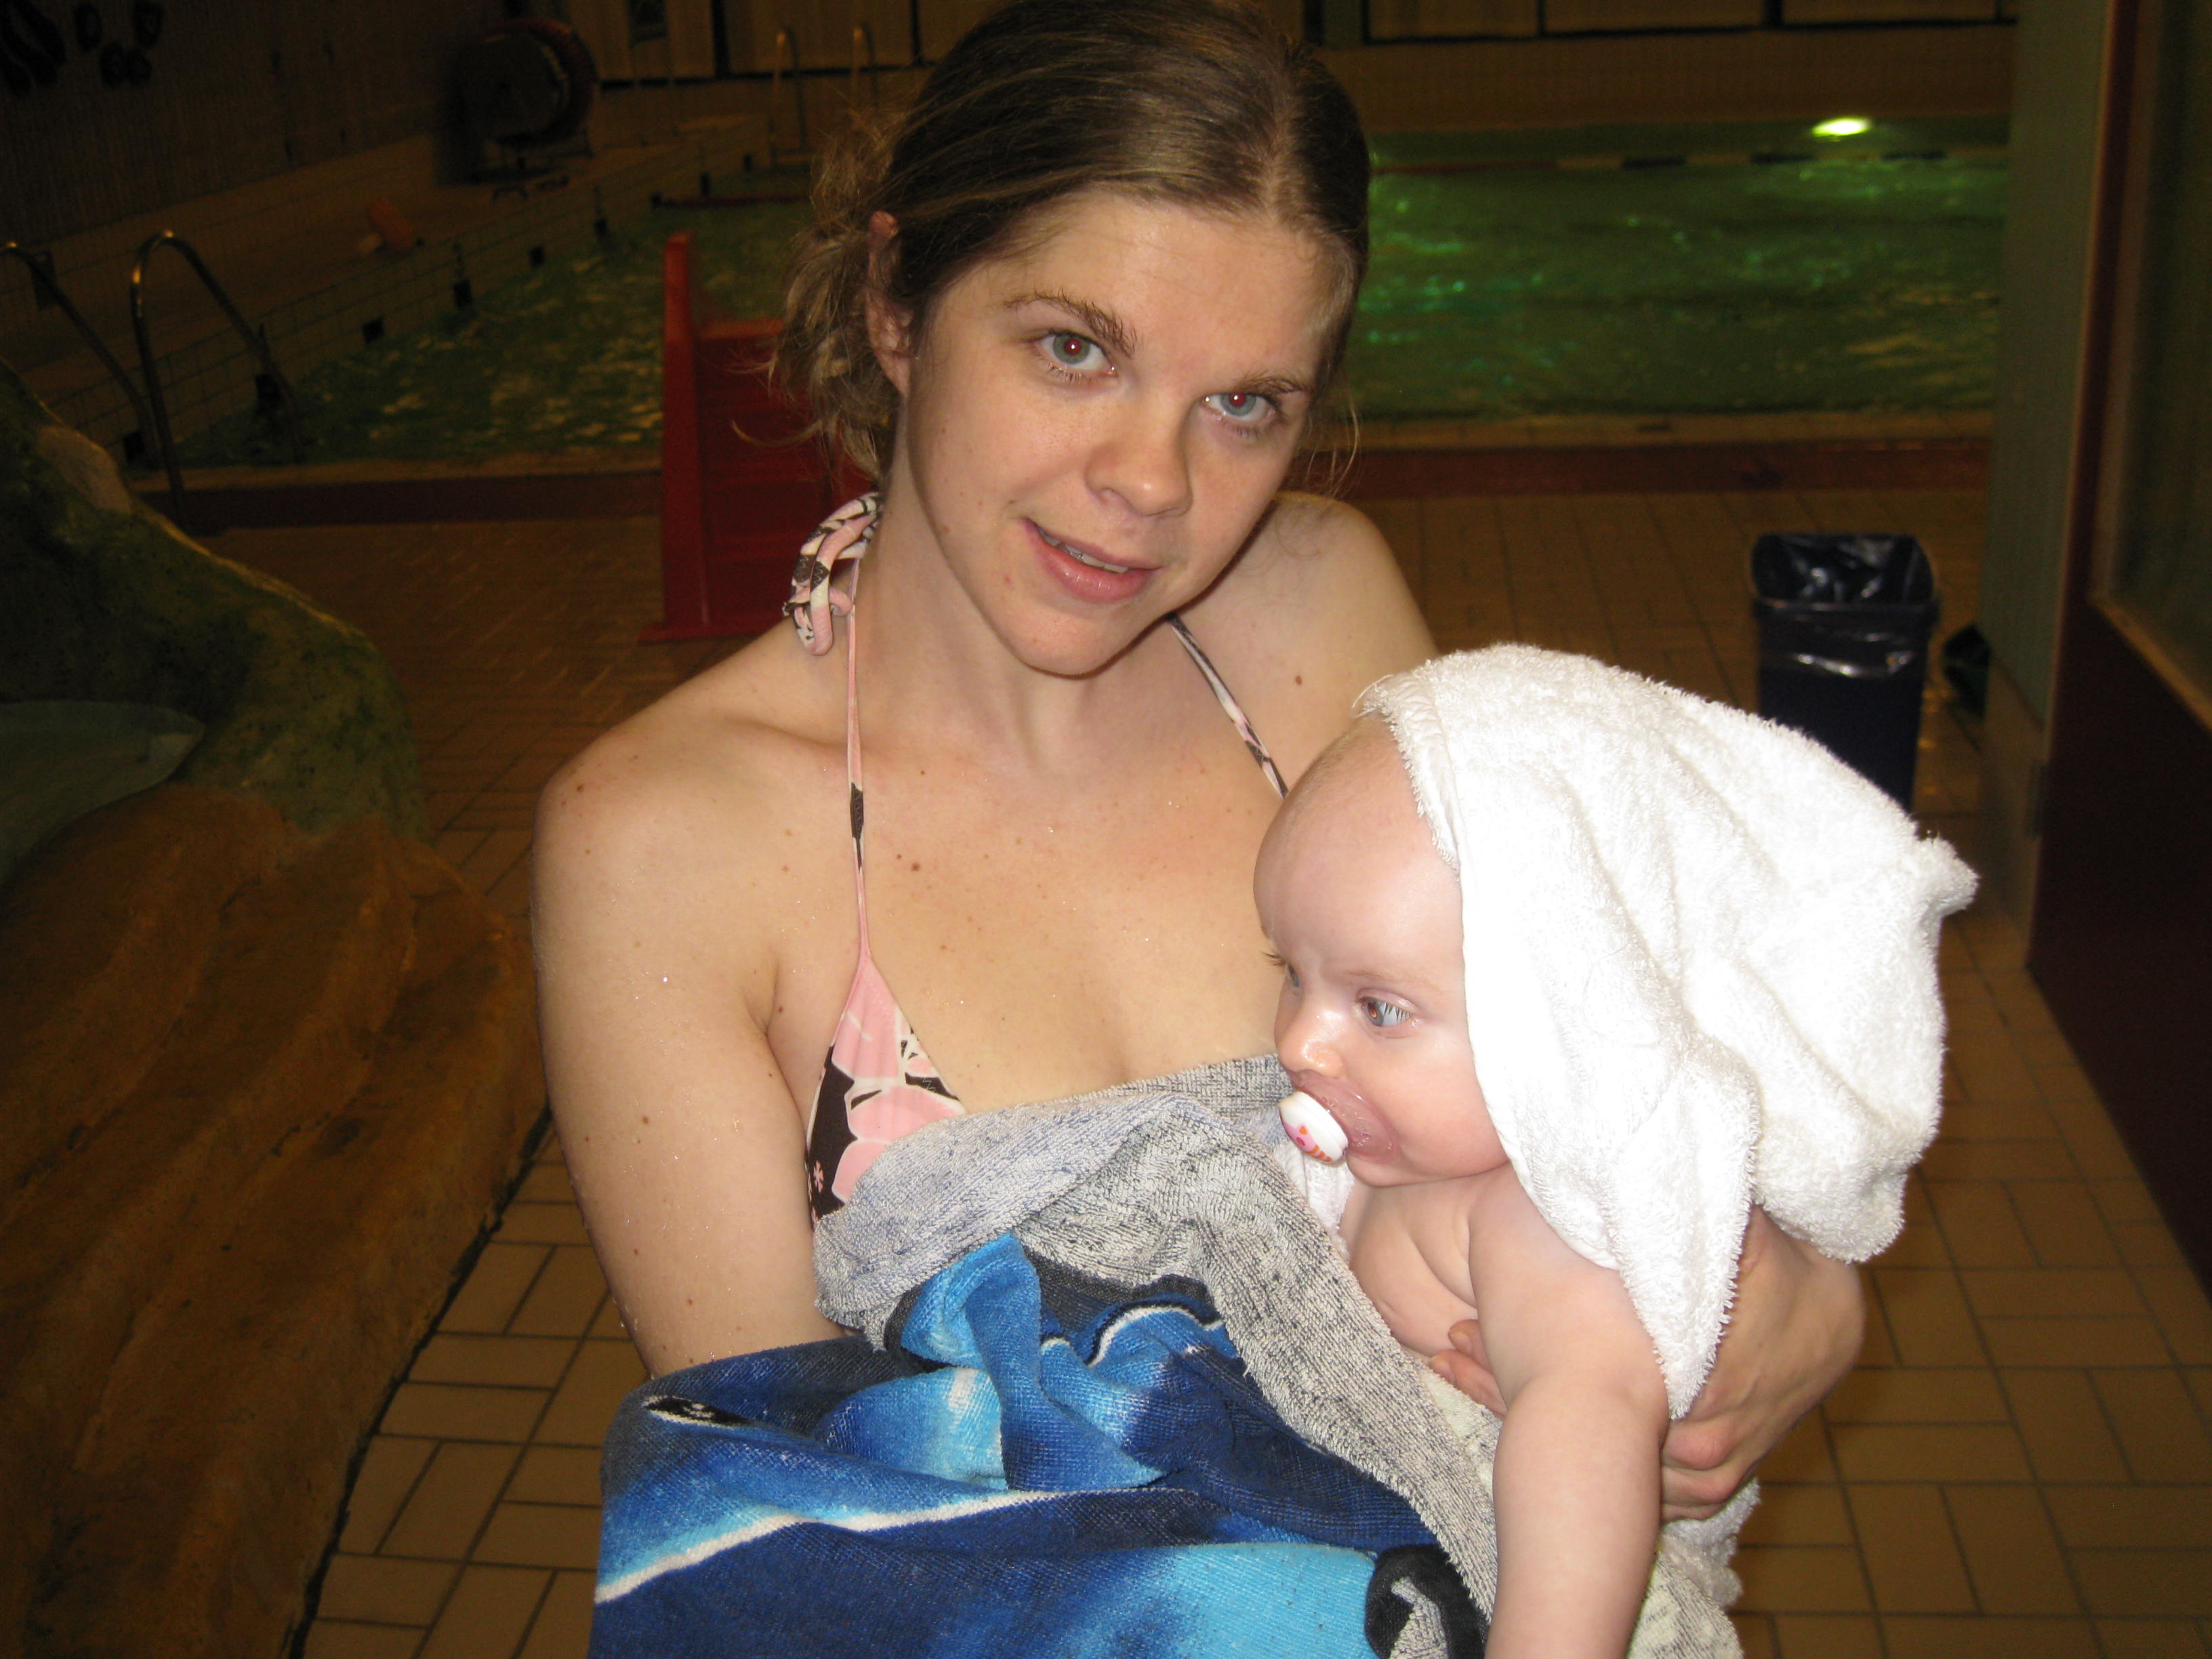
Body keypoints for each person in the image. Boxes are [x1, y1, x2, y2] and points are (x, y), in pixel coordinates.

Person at [531, 0, 1862, 1525]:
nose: (1151, 484)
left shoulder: (1320, 623)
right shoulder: (663, 842)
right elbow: (791, 1517)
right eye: (1074, 349)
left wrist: (1798, 1294)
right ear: (898, 306)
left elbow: (1602, 1071)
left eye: (1244, 405)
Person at [1257, 647, 1973, 1657]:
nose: (1301, 1042)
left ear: (1561, 1022)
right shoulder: (1414, 1151)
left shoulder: (1544, 1222)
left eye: (1379, 1008)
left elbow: (1580, 1452)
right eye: (1292, 973)